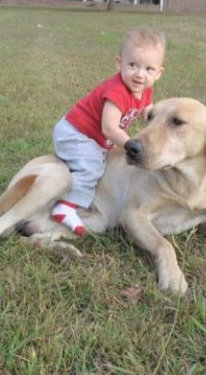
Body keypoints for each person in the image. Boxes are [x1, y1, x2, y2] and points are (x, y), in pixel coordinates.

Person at [51, 28, 166, 235]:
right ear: (118, 63)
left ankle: (80, 196)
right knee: (92, 167)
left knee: (104, 161)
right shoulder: (117, 92)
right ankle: (67, 206)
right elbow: (109, 128)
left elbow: (148, 113)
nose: (140, 74)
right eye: (133, 65)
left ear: (158, 73)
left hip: (93, 137)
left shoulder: (145, 89)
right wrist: (131, 146)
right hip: (76, 133)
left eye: (149, 69)